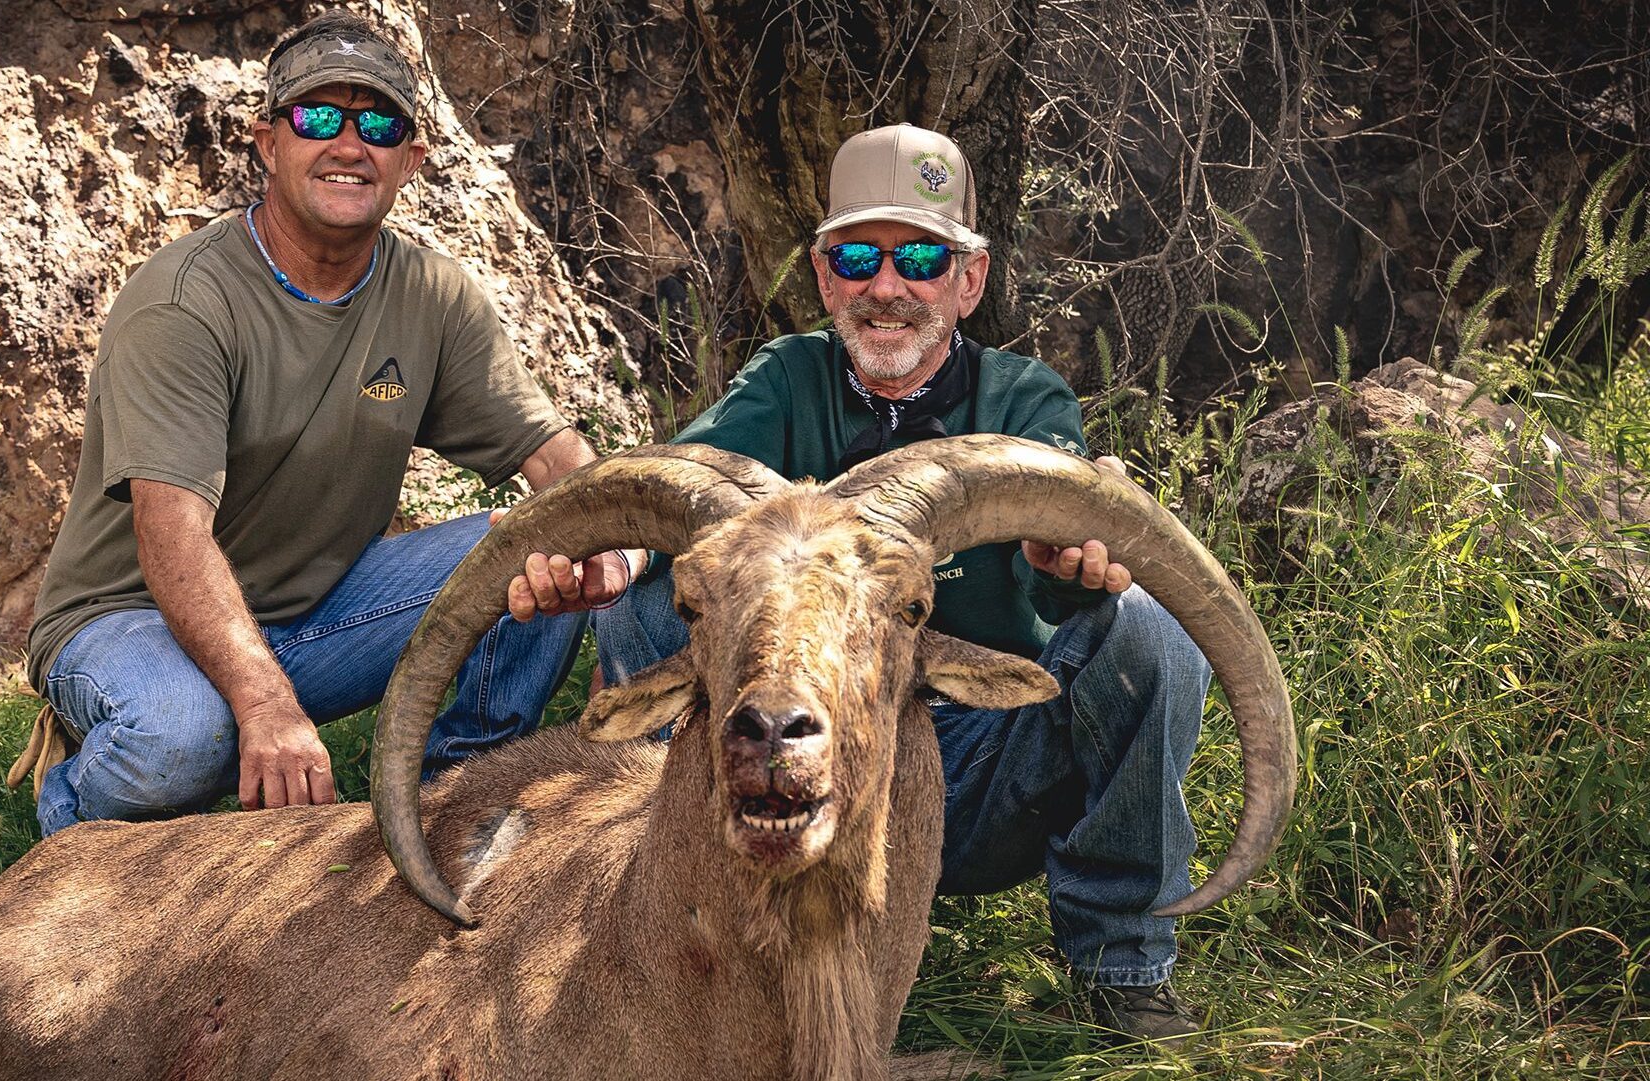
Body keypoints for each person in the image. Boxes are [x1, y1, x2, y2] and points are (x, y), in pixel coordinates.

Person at [507, 125, 1210, 1043]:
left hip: (981, 764)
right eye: (858, 256)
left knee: (1150, 630)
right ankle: (686, 922)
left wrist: (1069, 546)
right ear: (824, 272)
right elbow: (684, 484)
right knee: (654, 600)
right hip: (786, 743)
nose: (888, 285)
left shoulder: (1022, 400)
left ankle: (1122, 968)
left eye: (921, 255)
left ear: (971, 278)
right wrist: (616, 556)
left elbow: (1062, 503)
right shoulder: (789, 380)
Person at [21, 10, 630, 838]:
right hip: (131, 615)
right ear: (267, 142)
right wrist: (264, 703)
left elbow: (558, 459)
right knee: (183, 737)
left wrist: (619, 555)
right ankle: (65, 821)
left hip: (315, 612)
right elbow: (171, 535)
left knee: (542, 542)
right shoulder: (184, 302)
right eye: (317, 117)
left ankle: (449, 806)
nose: (349, 144)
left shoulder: (433, 296)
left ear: (411, 159)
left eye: (377, 123)